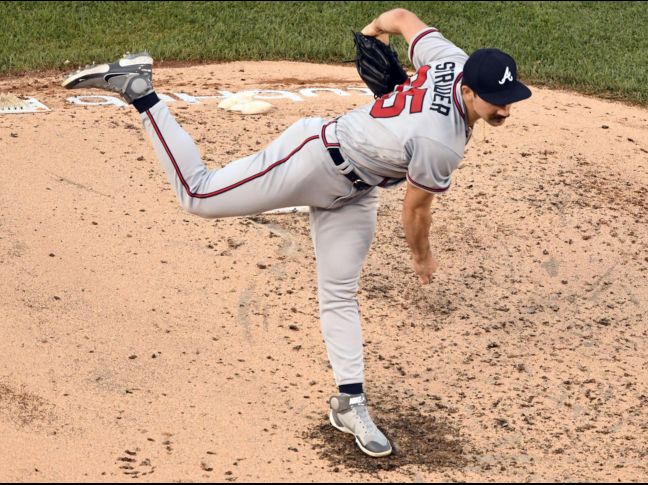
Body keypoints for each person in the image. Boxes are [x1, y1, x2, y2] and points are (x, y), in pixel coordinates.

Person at [62, 8, 531, 458]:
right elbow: (415, 212)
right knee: (198, 196)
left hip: (356, 191)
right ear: (468, 90)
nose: (505, 111)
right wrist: (422, 257)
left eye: (509, 100)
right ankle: (139, 89)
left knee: (340, 292)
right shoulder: (439, 142)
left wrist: (373, 34)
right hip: (311, 160)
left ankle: (350, 404)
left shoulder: (449, 58)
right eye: (496, 101)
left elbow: (403, 17)